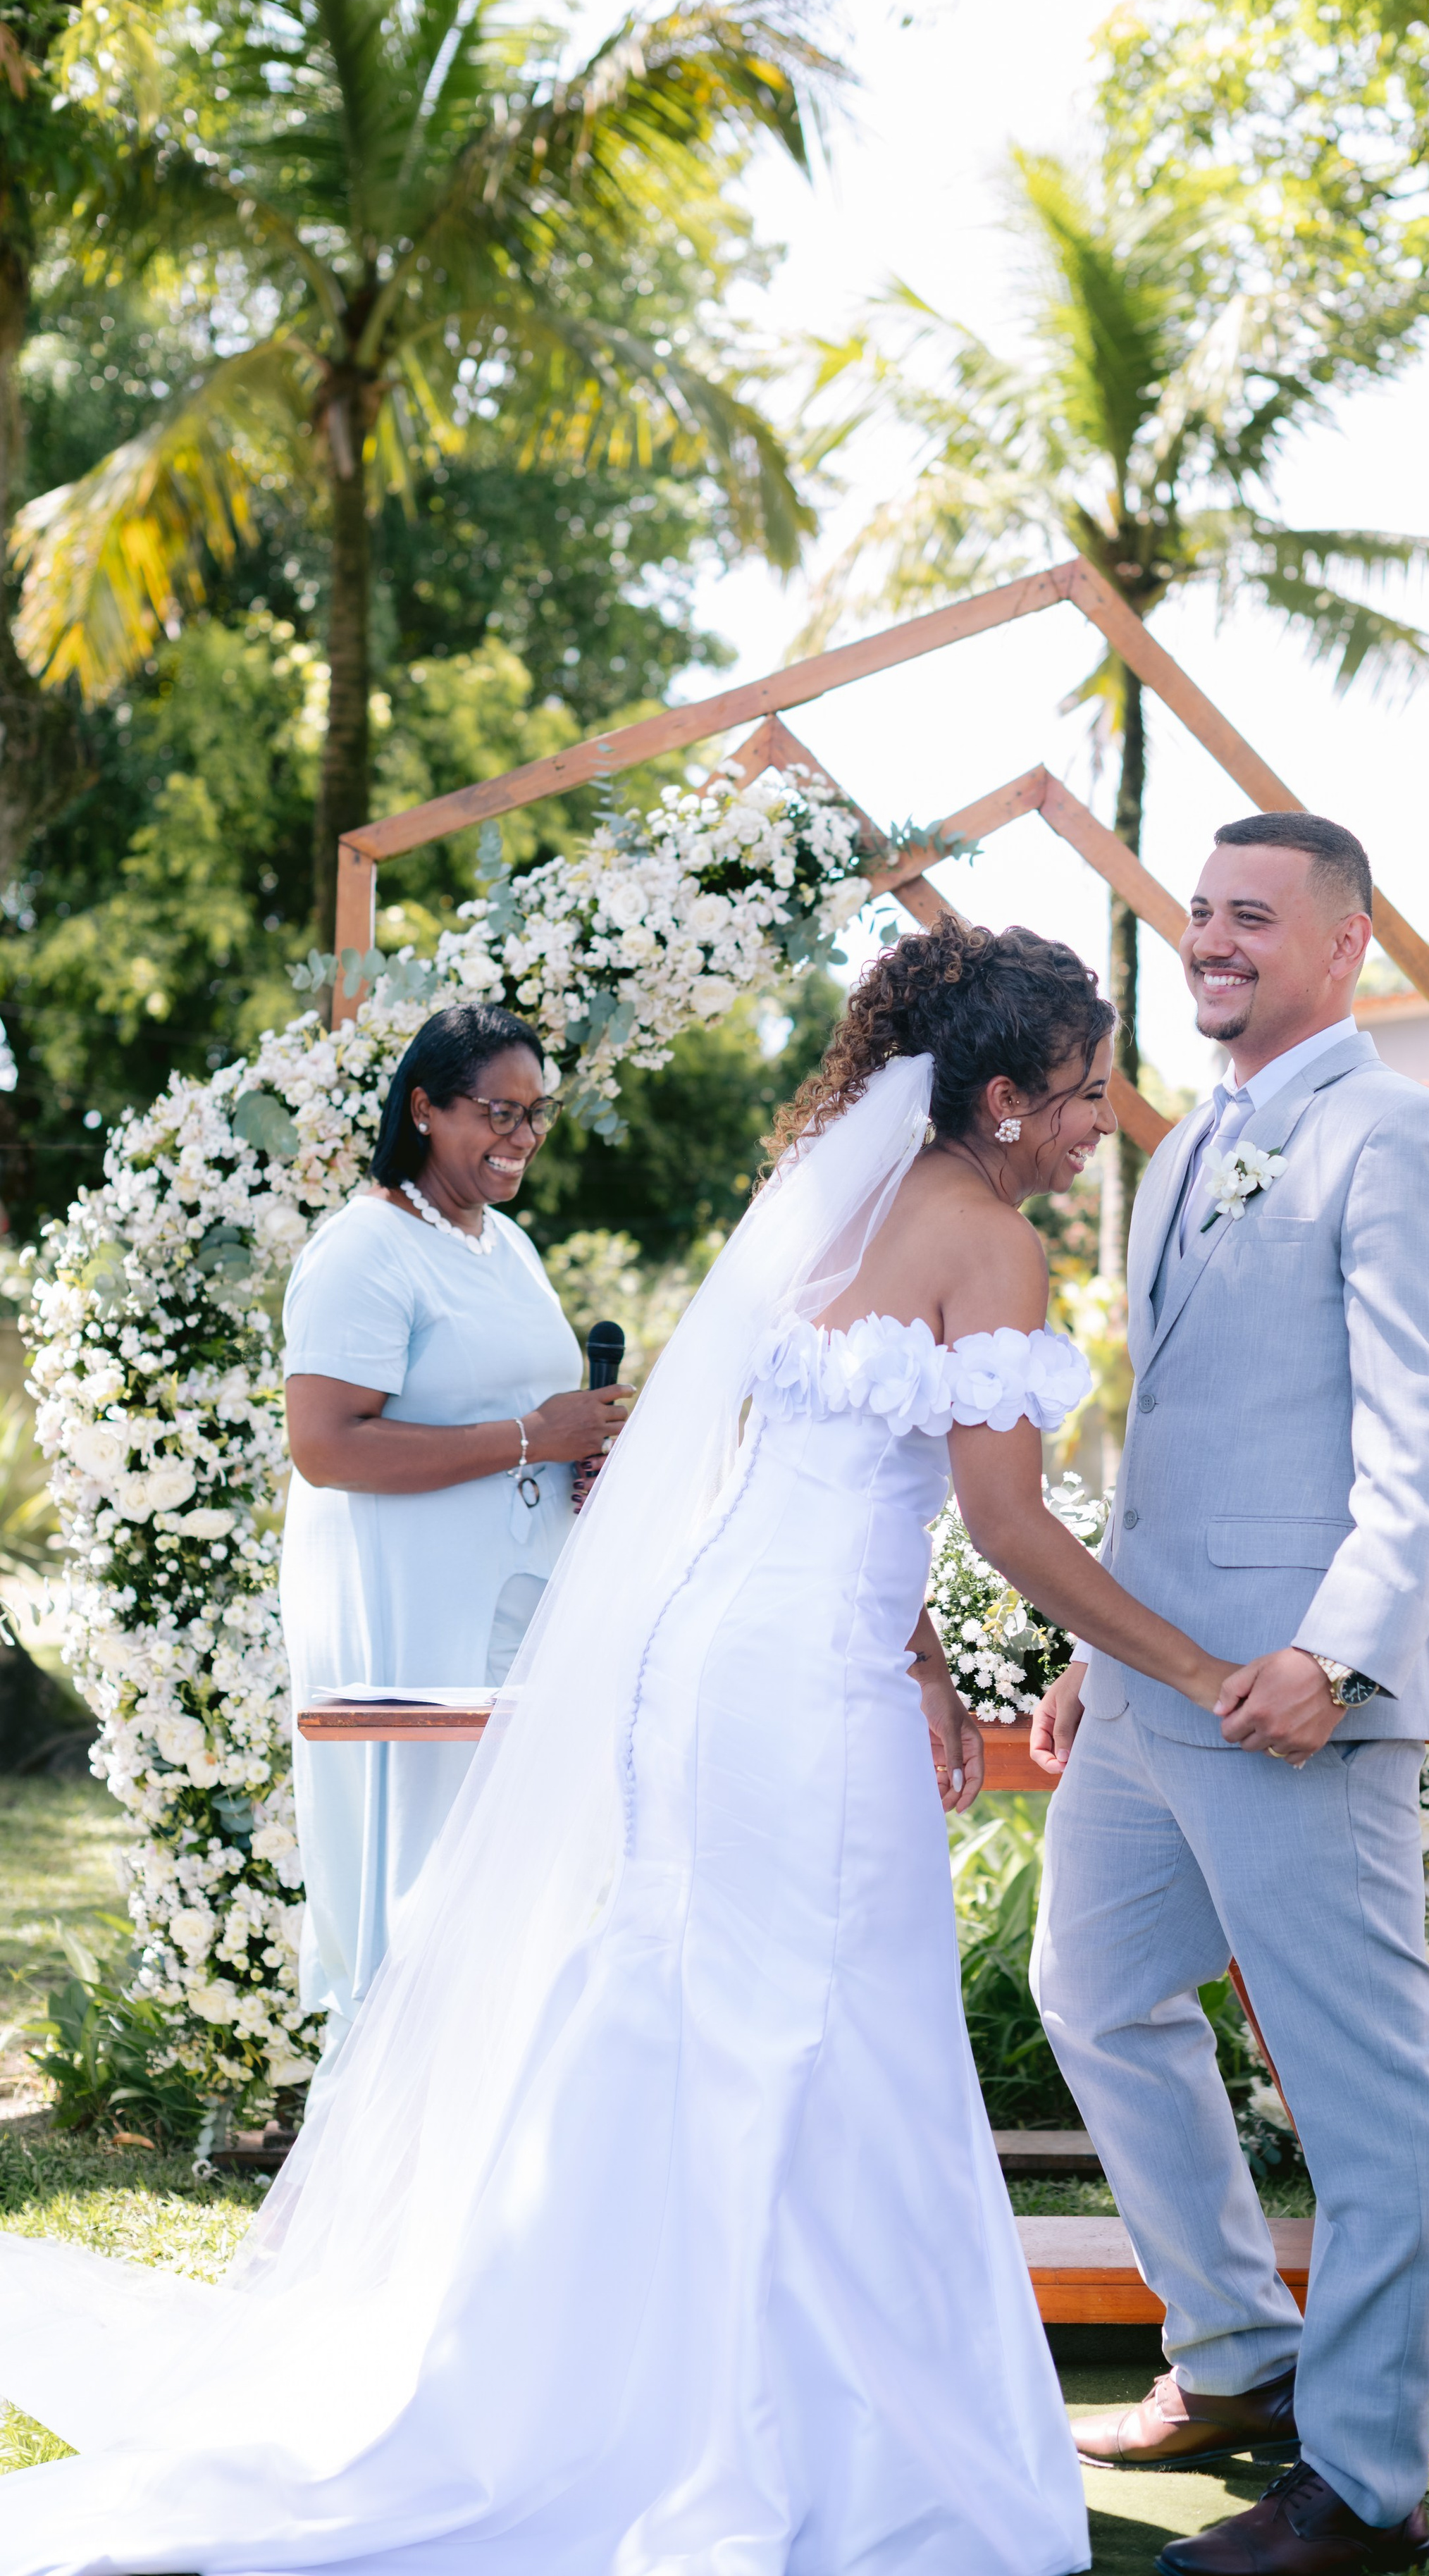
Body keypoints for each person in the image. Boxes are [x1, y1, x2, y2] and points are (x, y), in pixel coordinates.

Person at [0, 918, 1245, 2576]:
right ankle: (781, 2443)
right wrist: (1193, 1666)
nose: (1100, 1119)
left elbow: (808, 1467)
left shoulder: (833, 1205)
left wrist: (924, 1659)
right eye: (1084, 1090)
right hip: (800, 1694)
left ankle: (608, 2398)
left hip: (713, 1661)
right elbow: (1006, 1524)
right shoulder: (989, 1244)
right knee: (827, 2027)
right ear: (1004, 1095)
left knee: (693, 2009)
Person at [1029, 812, 1429, 2576]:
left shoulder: (1401, 1134)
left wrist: (1339, 1652)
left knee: (1363, 2089)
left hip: (1293, 1695)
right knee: (1090, 1986)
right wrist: (1092, 1646)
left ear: (1342, 944)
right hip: (1153, 1685)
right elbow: (1165, 1438)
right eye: (1198, 914)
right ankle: (1234, 2350)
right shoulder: (1179, 1152)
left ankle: (1364, 2485)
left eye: (1251, 915)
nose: (1211, 940)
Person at [281, 1001, 632, 2072]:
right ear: (426, 1109)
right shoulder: (364, 1250)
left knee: (511, 1860)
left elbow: (521, 1416)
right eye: (498, 1113)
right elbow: (326, 1445)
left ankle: (493, 2108)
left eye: (537, 1115)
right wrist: (533, 1437)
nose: (522, 1138)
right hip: (411, 1603)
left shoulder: (505, 1243)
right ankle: (390, 2109)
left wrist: (580, 1452)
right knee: (422, 1868)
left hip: (514, 1592)